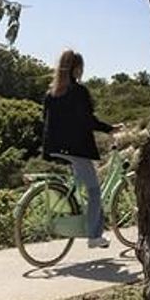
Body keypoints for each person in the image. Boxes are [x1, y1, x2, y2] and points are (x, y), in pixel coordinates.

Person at [41, 49, 117, 249]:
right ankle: (94, 236)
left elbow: (45, 120)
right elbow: (88, 120)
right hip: (76, 149)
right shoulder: (78, 91)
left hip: (55, 147)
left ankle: (78, 216)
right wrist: (109, 128)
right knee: (94, 191)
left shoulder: (51, 93)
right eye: (81, 67)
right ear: (76, 69)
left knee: (81, 184)